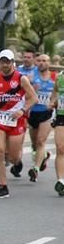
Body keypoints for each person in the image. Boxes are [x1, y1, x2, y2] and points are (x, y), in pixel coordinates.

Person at [0, 49, 38, 199]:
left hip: (16, 120)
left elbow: (33, 98)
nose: (4, 65)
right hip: (0, 119)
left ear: (13, 63)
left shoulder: (21, 79)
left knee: (12, 156)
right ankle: (3, 185)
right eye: (2, 62)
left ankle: (17, 162)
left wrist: (23, 110)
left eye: (7, 62)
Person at [26, 54, 56, 183]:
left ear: (49, 63)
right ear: (36, 62)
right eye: (39, 61)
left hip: (47, 113)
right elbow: (23, 95)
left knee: (40, 141)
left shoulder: (56, 78)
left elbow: (59, 94)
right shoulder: (30, 77)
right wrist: (32, 89)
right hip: (33, 113)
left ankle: (36, 169)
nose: (42, 63)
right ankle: (44, 155)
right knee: (34, 144)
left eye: (44, 61)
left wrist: (53, 103)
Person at [53, 67, 64, 195]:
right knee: (60, 147)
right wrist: (52, 102)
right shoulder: (59, 77)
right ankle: (61, 181)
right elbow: (55, 93)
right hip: (61, 115)